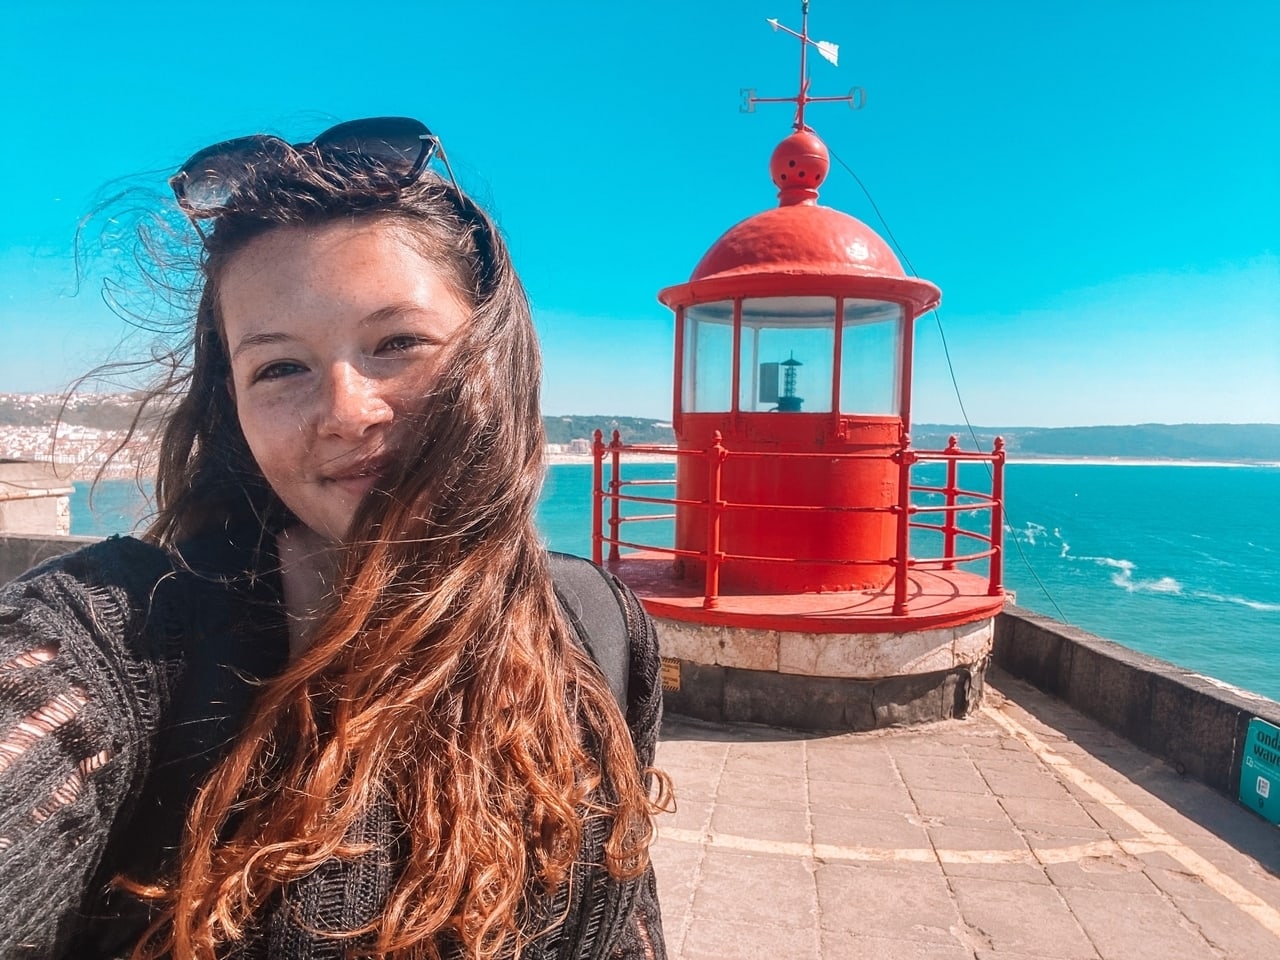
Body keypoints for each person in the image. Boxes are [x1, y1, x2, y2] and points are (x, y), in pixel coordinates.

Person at [0, 117, 669, 959]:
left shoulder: (599, 628)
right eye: (280, 368)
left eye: (398, 344)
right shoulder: (139, 639)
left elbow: (626, 922)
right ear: (232, 407)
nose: (348, 413)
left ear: (499, 356)